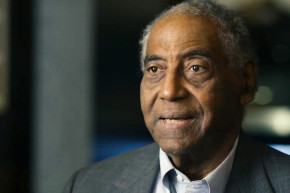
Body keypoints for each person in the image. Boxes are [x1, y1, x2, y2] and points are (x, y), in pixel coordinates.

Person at [63, 0, 290, 192]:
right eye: (154, 69)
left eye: (196, 68)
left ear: (246, 82)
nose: (170, 92)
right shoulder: (86, 185)